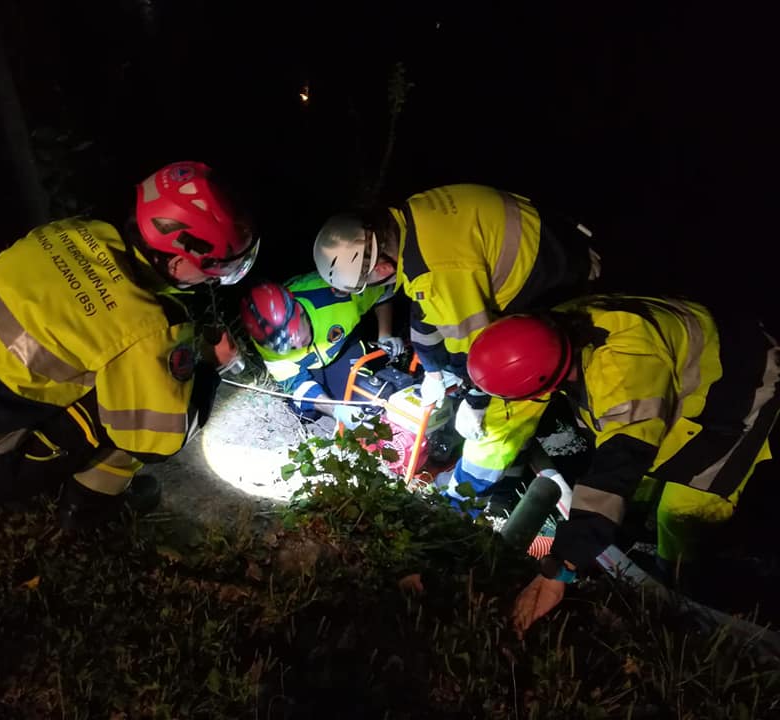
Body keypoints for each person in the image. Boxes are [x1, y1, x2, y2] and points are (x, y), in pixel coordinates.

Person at [0, 161, 259, 529]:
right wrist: (211, 368)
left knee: (107, 363)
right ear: (179, 260)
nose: (212, 279)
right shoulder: (150, 323)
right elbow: (157, 440)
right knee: (143, 403)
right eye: (214, 269)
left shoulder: (66, 232)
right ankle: (91, 508)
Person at [464, 296, 780, 635]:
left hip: (742, 392)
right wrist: (477, 403)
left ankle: (677, 582)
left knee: (682, 510)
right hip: (689, 367)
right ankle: (639, 531)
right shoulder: (548, 328)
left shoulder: (622, 369)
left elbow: (619, 462)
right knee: (643, 466)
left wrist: (562, 565)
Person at [312, 183, 601, 501]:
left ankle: (459, 504)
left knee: (500, 413)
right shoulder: (411, 216)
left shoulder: (437, 272)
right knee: (455, 358)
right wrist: (433, 372)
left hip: (556, 289)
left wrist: (475, 402)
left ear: (381, 267)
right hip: (555, 247)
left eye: (369, 282)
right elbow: (425, 311)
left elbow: (483, 353)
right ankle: (510, 468)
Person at [239, 272, 400, 427]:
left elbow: (383, 290)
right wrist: (335, 410)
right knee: (305, 412)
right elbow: (296, 383)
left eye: (296, 333)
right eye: (287, 347)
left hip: (342, 349)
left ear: (300, 311)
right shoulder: (265, 339)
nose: (298, 345)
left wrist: (385, 335)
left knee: (364, 397)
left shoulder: (336, 294)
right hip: (308, 366)